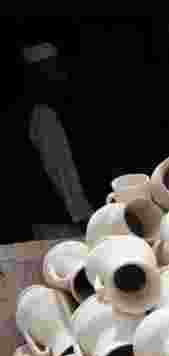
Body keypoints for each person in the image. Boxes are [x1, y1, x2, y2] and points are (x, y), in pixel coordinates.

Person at [10, 41, 93, 243]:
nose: (60, 76)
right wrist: (81, 213)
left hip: (49, 216)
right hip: (58, 220)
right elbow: (59, 167)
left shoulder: (39, 111)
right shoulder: (42, 114)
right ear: (38, 75)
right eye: (52, 69)